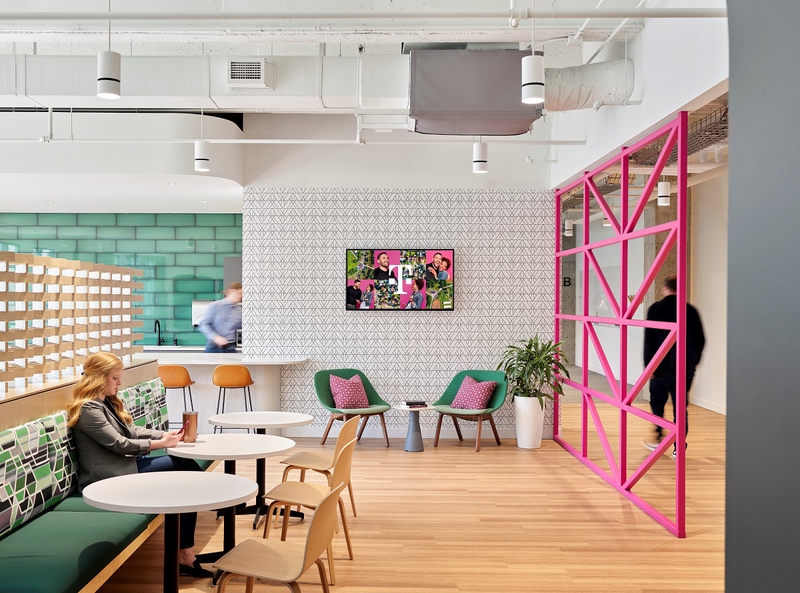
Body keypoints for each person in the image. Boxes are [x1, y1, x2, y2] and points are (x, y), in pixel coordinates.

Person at [66, 352, 212, 579]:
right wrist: (160, 444)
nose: (119, 383)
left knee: (185, 476)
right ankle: (190, 544)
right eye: (115, 378)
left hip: (125, 466)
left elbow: (131, 430)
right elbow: (119, 444)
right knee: (184, 468)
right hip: (108, 478)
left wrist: (164, 435)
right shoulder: (89, 409)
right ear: (99, 378)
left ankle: (186, 552)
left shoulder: (105, 402)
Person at [643, 274, 706, 457]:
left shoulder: (656, 309)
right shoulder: (690, 310)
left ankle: (659, 438)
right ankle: (679, 446)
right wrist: (695, 360)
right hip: (685, 366)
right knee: (680, 407)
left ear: (665, 288)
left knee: (657, 402)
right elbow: (701, 339)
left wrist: (649, 366)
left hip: (661, 366)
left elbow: (649, 340)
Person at [198, 282, 242, 353]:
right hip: (213, 347)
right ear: (232, 291)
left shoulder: (240, 310)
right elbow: (203, 324)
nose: (241, 296)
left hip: (230, 348)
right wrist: (215, 337)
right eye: (240, 293)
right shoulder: (215, 305)